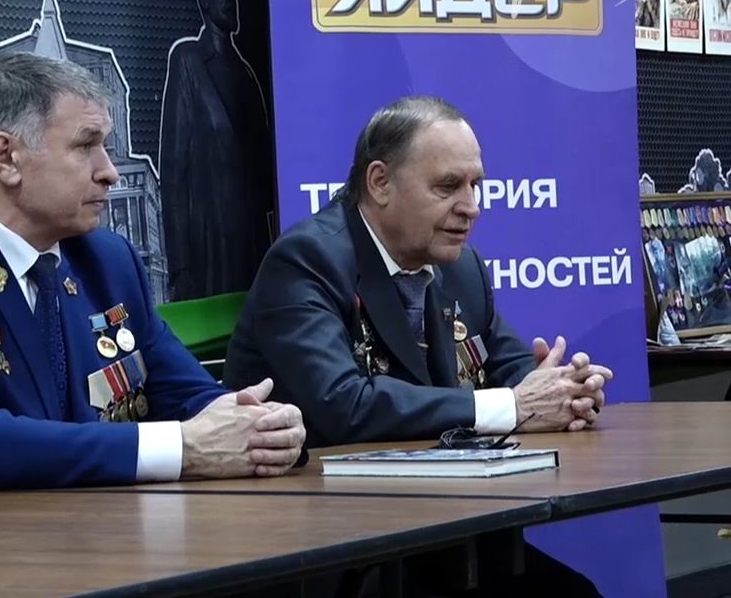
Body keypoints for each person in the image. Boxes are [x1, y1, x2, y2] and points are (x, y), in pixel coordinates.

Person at [0, 53, 305, 501]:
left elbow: (187, 395)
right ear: (6, 157)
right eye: (86, 146)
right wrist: (182, 448)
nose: (110, 172)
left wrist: (258, 428)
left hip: (88, 538)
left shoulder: (108, 260)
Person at [223, 95, 610, 596]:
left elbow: (512, 367)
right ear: (380, 183)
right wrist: (514, 405)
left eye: (475, 185)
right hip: (334, 546)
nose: (471, 207)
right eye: (448, 186)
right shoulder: (307, 261)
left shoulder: (460, 266)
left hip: (441, 527)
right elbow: (344, 405)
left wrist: (567, 390)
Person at [159, 0, 273, 301]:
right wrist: (180, 267)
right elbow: (173, 172)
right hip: (209, 245)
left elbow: (267, 178)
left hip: (252, 247)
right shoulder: (188, 62)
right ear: (205, 0)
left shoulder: (246, 75)